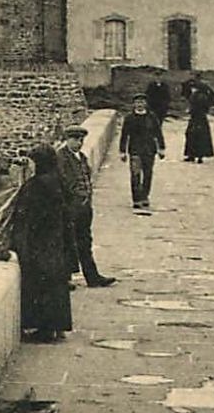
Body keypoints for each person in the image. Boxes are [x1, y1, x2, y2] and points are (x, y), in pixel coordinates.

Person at [12, 145, 75, 342]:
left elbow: (25, 213)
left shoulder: (37, 185)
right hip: (56, 240)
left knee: (41, 282)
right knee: (56, 283)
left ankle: (45, 329)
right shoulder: (58, 180)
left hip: (40, 241)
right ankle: (57, 327)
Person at [55, 126, 117, 287]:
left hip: (84, 207)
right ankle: (64, 278)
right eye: (75, 139)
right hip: (70, 207)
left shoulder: (81, 157)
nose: (79, 143)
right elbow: (64, 183)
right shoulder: (61, 158)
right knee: (67, 241)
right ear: (67, 139)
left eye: (81, 140)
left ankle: (92, 277)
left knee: (85, 241)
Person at [119, 94, 165, 209]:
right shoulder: (129, 118)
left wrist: (161, 148)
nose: (140, 104)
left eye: (142, 102)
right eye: (137, 102)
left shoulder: (152, 117)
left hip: (149, 150)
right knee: (135, 175)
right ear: (134, 104)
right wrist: (122, 151)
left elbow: (158, 133)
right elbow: (124, 135)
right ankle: (136, 199)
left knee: (148, 175)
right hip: (135, 151)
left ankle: (145, 197)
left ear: (146, 104)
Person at [182, 73, 214, 163]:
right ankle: (193, 155)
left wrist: (190, 110)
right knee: (192, 135)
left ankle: (198, 156)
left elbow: (199, 107)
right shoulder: (199, 94)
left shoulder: (200, 96)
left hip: (198, 118)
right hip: (197, 118)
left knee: (197, 136)